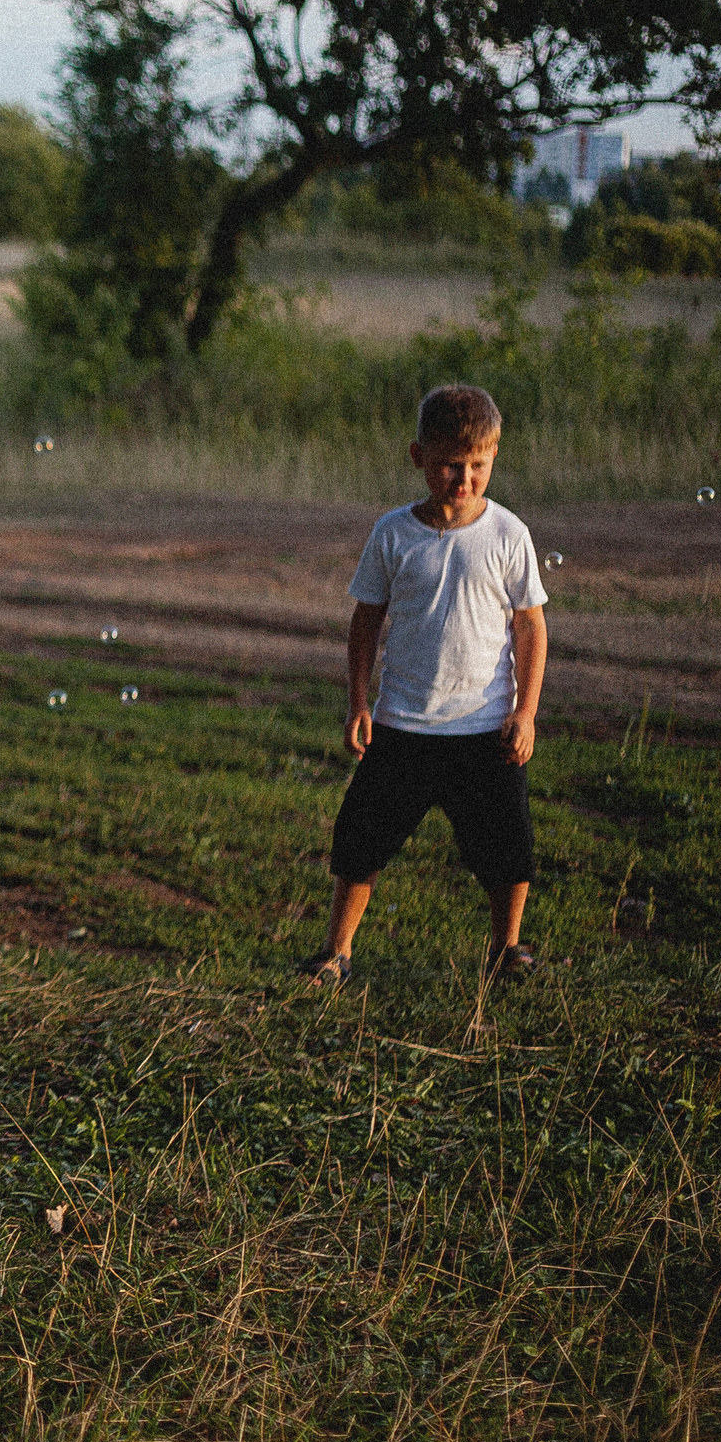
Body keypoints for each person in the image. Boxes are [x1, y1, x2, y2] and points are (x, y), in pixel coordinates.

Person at [303, 383, 549, 988]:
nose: (464, 479)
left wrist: (525, 713)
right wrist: (359, 702)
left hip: (485, 728)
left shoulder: (508, 534)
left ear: (494, 457)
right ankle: (336, 953)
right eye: (449, 465)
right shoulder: (393, 533)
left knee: (508, 847)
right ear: (418, 457)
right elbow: (366, 621)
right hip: (403, 724)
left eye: (478, 465)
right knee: (360, 841)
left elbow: (531, 627)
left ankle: (506, 950)